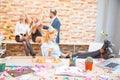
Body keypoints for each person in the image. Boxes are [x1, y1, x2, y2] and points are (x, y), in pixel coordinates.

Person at [41, 27, 115, 59]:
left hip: (63, 58)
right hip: (59, 60)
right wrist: (50, 52)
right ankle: (101, 52)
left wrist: (65, 55)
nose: (56, 37)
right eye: (54, 35)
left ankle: (102, 53)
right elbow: (48, 58)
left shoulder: (54, 43)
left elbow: (59, 53)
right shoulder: (45, 45)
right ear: (49, 34)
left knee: (79, 53)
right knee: (80, 56)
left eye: (56, 35)